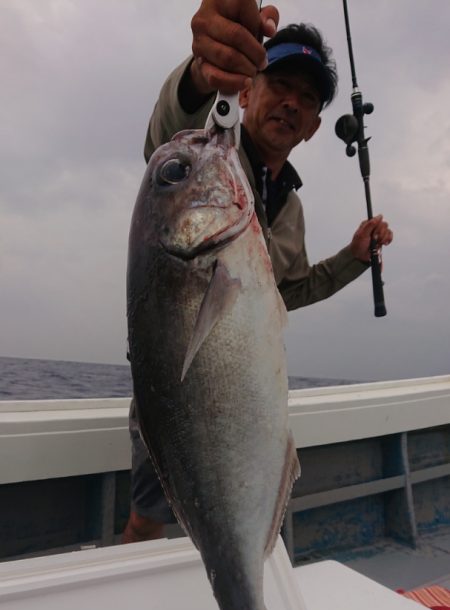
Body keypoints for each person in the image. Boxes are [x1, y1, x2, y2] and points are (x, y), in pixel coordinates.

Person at [122, 0, 393, 544]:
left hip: (249, 389)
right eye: (280, 85)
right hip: (179, 391)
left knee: (240, 529)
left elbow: (287, 293)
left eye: (307, 99)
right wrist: (202, 73)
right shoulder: (204, 158)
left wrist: (353, 259)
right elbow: (166, 136)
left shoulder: (289, 209)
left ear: (315, 127)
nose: (291, 104)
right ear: (246, 91)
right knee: (148, 520)